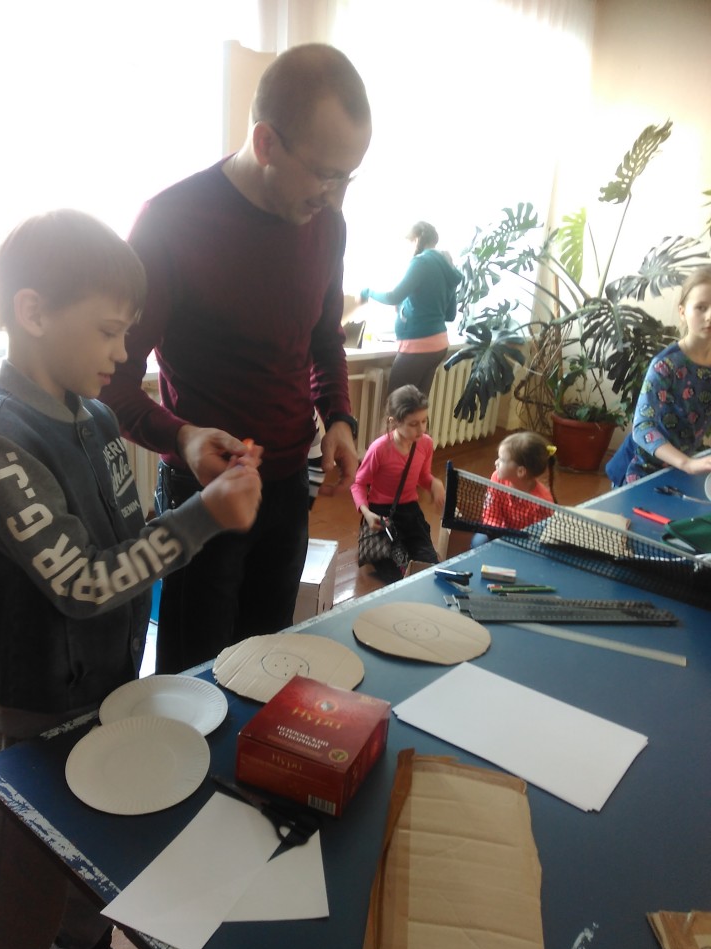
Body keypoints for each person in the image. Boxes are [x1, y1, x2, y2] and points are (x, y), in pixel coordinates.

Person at [0, 210, 262, 949]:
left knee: (93, 840)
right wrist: (203, 517)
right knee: (21, 878)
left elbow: (126, 538)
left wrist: (193, 478)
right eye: (110, 332)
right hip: (35, 703)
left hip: (110, 680)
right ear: (33, 312)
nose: (125, 355)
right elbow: (83, 582)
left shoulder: (93, 417)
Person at [101, 43, 372, 674]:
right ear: (266, 142)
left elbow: (323, 338)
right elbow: (111, 382)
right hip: (203, 493)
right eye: (325, 174)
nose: (335, 197)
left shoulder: (328, 225)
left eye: (349, 178)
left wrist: (338, 417)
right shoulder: (171, 222)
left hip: (290, 487)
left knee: (265, 662)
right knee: (192, 677)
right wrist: (183, 436)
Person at [605, 268, 711, 486]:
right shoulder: (666, 365)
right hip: (639, 470)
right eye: (701, 307)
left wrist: (687, 464)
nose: (709, 316)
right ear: (682, 312)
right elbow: (642, 427)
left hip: (678, 471)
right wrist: (687, 464)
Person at [351, 384, 444, 582]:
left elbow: (423, 476)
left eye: (424, 421)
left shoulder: (426, 444)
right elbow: (358, 484)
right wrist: (367, 514)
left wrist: (434, 483)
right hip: (381, 514)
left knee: (427, 566)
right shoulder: (379, 448)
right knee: (398, 573)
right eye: (413, 424)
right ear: (394, 422)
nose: (421, 429)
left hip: (410, 511)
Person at [359, 221, 462, 396]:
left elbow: (393, 296)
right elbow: (450, 315)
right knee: (417, 405)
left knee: (396, 404)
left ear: (416, 240)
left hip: (418, 347)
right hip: (438, 345)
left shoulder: (422, 262)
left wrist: (367, 292)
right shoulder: (447, 267)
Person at [472, 431, 556, 545]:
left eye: (502, 460)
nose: (496, 462)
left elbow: (538, 534)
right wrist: (499, 533)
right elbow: (491, 514)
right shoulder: (497, 479)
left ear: (520, 471)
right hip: (499, 531)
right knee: (479, 541)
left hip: (525, 541)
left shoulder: (543, 501)